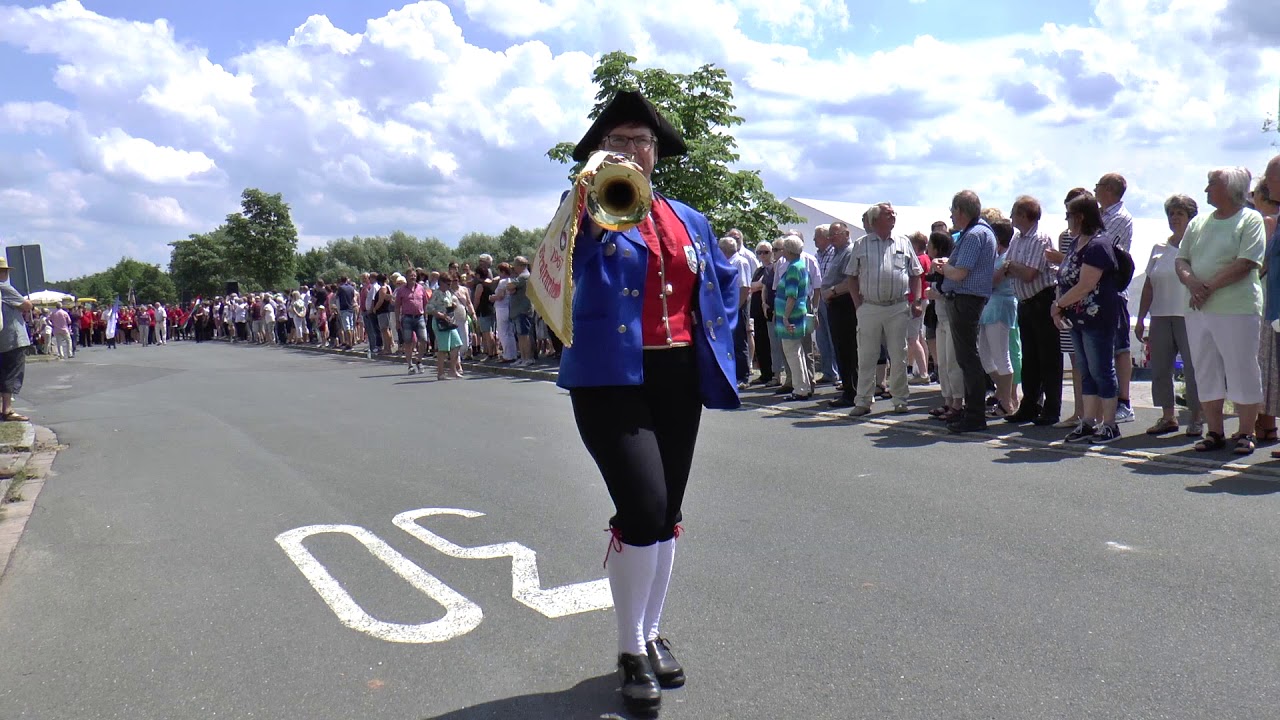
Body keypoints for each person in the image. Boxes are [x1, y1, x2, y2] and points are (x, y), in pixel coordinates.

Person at [556, 90, 739, 716]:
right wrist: (587, 207)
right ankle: (631, 647)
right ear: (602, 152)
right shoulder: (586, 209)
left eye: (642, 141)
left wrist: (718, 343)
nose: (632, 150)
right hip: (610, 378)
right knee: (642, 506)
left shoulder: (689, 218)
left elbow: (722, 281)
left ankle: (653, 631)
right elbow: (564, 266)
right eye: (620, 141)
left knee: (667, 513)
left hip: (676, 376)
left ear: (656, 153)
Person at [1176, 167, 1267, 454]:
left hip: (1236, 307)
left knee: (1241, 367)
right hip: (1198, 308)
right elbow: (1181, 259)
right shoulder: (1198, 223)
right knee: (1205, 368)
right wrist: (1193, 283)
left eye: (1212, 184)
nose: (1206, 190)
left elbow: (1247, 262)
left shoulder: (1250, 219)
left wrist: (1208, 287)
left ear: (1230, 188)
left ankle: (1246, 431)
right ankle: (1214, 431)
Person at [1053, 193, 1123, 444]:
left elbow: (1086, 284)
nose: (1067, 220)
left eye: (1069, 216)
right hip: (1077, 318)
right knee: (1086, 372)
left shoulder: (1098, 245)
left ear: (1080, 217)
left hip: (1096, 317)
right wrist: (1061, 306)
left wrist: (1058, 305)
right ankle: (1088, 421)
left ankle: (1110, 424)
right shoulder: (1077, 242)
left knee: (1101, 370)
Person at [1134, 195, 1203, 437]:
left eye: (1179, 214)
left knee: (1193, 370)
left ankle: (1196, 418)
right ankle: (1167, 416)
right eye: (1171, 214)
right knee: (1161, 369)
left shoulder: (1197, 246)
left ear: (1190, 218)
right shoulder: (1159, 248)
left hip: (1189, 315)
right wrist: (1141, 318)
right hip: (1160, 316)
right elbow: (1148, 286)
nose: (1174, 218)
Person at [845, 203, 923, 416]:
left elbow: (916, 273)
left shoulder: (903, 241)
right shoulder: (861, 244)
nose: (893, 217)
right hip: (870, 306)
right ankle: (863, 400)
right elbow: (851, 276)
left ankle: (900, 399)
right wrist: (858, 305)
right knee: (866, 356)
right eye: (888, 214)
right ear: (875, 220)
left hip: (897, 306)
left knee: (899, 355)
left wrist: (916, 301)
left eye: (893, 214)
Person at [935, 190, 997, 433]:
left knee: (967, 358)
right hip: (968, 300)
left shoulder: (974, 234)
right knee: (967, 357)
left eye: (953, 210)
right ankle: (973, 413)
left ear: (960, 210)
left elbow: (960, 273)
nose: (951, 215)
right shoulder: (982, 232)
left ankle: (974, 415)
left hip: (966, 300)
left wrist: (943, 268)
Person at [1003, 196, 1062, 425]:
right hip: (1025, 303)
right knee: (1030, 358)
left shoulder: (1040, 238)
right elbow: (1007, 266)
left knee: (1048, 358)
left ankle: (1051, 409)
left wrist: (1013, 267)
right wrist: (1013, 267)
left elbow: (1029, 274)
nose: (1011, 218)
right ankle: (1029, 405)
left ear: (1024, 215)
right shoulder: (1017, 239)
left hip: (1042, 301)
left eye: (1014, 213)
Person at [1094, 173, 1136, 423]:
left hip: (1114, 291)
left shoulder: (1119, 217)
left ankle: (1124, 402)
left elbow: (1099, 249)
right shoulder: (1100, 215)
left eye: (1098, 186)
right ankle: (1103, 403)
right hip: (1097, 291)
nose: (1095, 191)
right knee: (1102, 349)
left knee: (1120, 348)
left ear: (1109, 189)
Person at [979, 221, 1018, 417]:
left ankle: (1007, 402)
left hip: (1001, 306)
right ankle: (1003, 394)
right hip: (989, 309)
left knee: (1002, 356)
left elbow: (992, 281)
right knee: (986, 357)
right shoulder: (997, 257)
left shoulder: (1006, 258)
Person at [822, 223, 858, 407]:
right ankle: (848, 388)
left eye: (834, 234)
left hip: (844, 304)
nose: (831, 238)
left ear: (846, 233)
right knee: (840, 349)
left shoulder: (849, 252)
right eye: (829, 235)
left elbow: (851, 280)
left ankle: (852, 392)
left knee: (847, 349)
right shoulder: (837, 253)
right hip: (835, 304)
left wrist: (832, 291)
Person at [775, 235, 814, 400]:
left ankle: (800, 389)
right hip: (798, 313)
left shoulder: (793, 268)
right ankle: (803, 386)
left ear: (788, 251)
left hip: (792, 315)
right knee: (797, 352)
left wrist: (785, 317)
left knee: (792, 353)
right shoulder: (800, 265)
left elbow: (791, 295)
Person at [0, 258, 32, 420]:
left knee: (2, 372)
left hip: (1, 337)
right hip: (13, 337)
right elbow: (27, 305)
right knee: (12, 372)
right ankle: (7, 409)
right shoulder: (4, 287)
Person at [720, 237, 752, 389]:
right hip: (728, 308)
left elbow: (744, 288)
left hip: (738, 307)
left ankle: (743, 377)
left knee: (739, 342)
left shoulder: (740, 262)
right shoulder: (726, 262)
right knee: (730, 342)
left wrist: (736, 308)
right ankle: (732, 374)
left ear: (724, 250)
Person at [427, 274, 464, 380]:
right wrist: (440, 314)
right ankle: (440, 373)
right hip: (440, 322)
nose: (449, 285)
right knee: (443, 349)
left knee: (457, 344)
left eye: (450, 283)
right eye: (447, 283)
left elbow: (447, 306)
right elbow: (429, 308)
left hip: (449, 321)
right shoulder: (436, 293)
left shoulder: (448, 293)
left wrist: (453, 306)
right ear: (441, 283)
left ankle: (453, 370)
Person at [748, 242, 775, 385]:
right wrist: (755, 286)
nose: (762, 255)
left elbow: (758, 285)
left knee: (769, 342)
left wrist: (755, 286)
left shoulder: (772, 268)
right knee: (760, 341)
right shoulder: (759, 270)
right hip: (756, 309)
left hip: (767, 309)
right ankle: (764, 373)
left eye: (766, 252)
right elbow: (752, 286)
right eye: (759, 252)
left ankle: (772, 373)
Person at [394, 270, 429, 374]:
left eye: (414, 275)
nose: (413, 277)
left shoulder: (421, 288)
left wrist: (426, 317)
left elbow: (426, 303)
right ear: (407, 277)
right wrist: (397, 321)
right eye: (410, 275)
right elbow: (397, 306)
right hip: (407, 318)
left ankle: (419, 360)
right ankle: (410, 365)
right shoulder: (401, 290)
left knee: (424, 340)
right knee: (408, 342)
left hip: (420, 317)